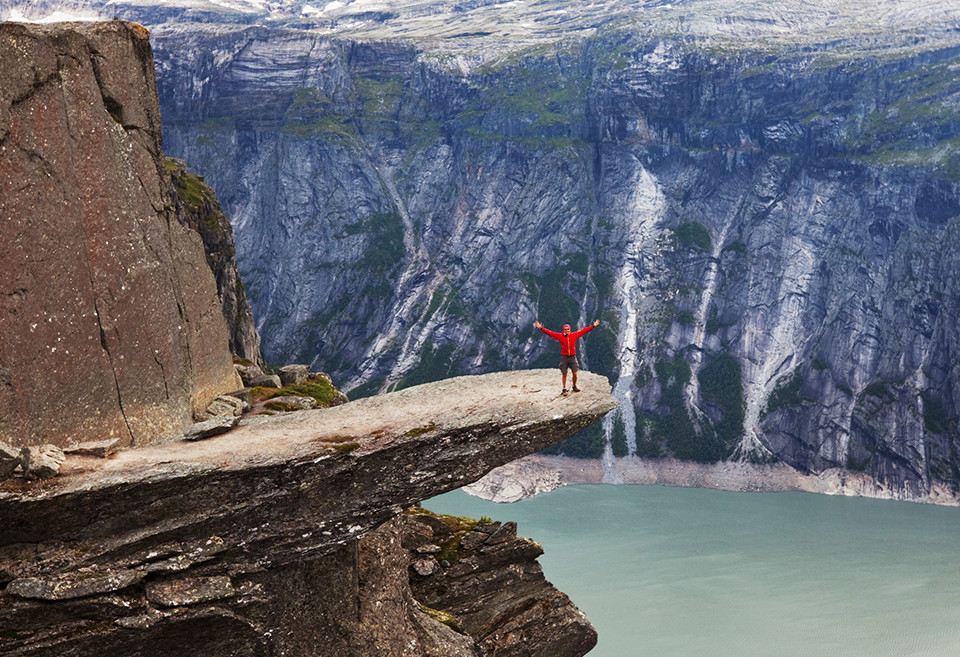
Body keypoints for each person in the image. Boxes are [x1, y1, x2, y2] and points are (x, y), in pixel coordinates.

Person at [534, 319, 600, 396]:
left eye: (568, 329)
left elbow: (584, 331)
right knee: (564, 374)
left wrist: (593, 326)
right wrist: (541, 328)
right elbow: (550, 333)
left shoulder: (574, 335)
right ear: (563, 330)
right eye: (565, 329)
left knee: (575, 373)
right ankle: (564, 388)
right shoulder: (560, 336)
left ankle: (574, 386)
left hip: (572, 357)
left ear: (570, 329)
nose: (567, 330)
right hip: (564, 357)